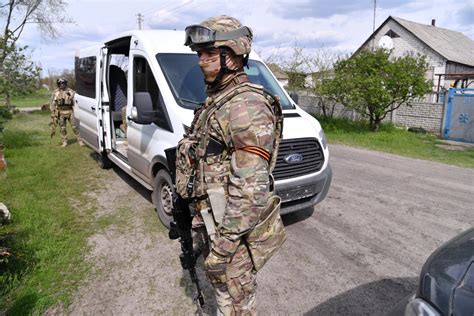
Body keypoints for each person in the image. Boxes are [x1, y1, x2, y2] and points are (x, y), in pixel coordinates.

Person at [179, 15, 283, 315]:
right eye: (199, 54)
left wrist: (222, 249)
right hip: (213, 221)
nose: (201, 61)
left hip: (232, 233)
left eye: (210, 53)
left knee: (236, 305)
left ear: (234, 55)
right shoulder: (219, 100)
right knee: (222, 295)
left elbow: (251, 191)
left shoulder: (245, 106)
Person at [50, 78, 83, 147]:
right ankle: (64, 141)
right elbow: (53, 103)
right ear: (58, 84)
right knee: (62, 128)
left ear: (65, 84)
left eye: (63, 83)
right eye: (60, 83)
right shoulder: (55, 92)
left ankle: (80, 140)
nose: (62, 85)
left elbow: (76, 100)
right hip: (61, 112)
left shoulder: (71, 91)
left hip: (70, 111)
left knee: (74, 127)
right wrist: (53, 112)